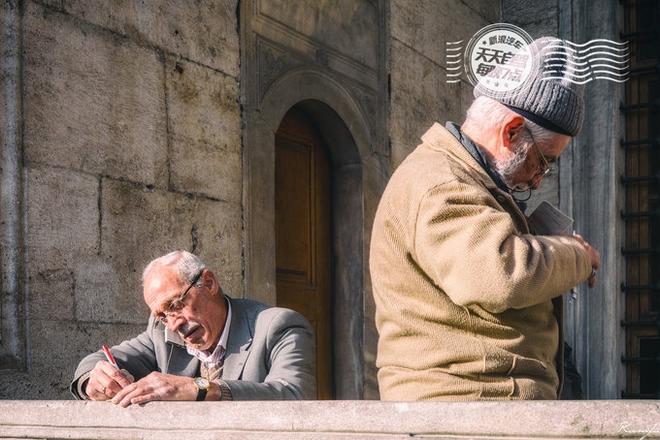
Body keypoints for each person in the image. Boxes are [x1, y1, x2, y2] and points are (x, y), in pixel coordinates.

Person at [370, 38, 601, 400]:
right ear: (510, 131)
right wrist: (576, 254)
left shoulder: (467, 178)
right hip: (462, 408)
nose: (538, 179)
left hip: (485, 404)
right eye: (543, 161)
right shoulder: (441, 182)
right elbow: (503, 275)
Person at [71, 250, 316, 405]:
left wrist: (198, 388)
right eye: (162, 315)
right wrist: (93, 379)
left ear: (209, 283)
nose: (174, 323)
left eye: (176, 304)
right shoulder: (162, 333)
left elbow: (295, 396)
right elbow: (96, 360)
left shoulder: (278, 326)